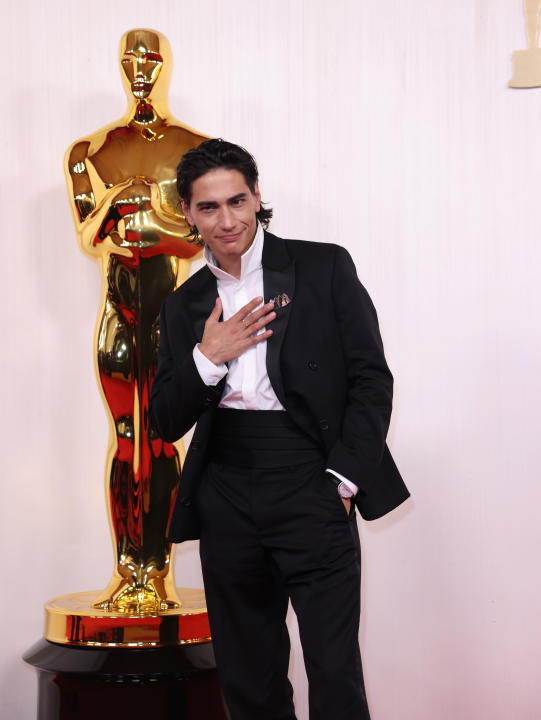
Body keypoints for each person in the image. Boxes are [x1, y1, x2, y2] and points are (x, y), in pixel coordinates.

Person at [150, 138, 410, 720]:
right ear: (188, 214)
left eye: (237, 201)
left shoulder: (322, 267)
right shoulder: (184, 303)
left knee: (334, 671)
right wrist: (207, 356)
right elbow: (165, 420)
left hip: (312, 477)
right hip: (226, 488)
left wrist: (342, 479)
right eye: (209, 208)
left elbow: (372, 379)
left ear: (258, 196)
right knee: (249, 677)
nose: (227, 220)